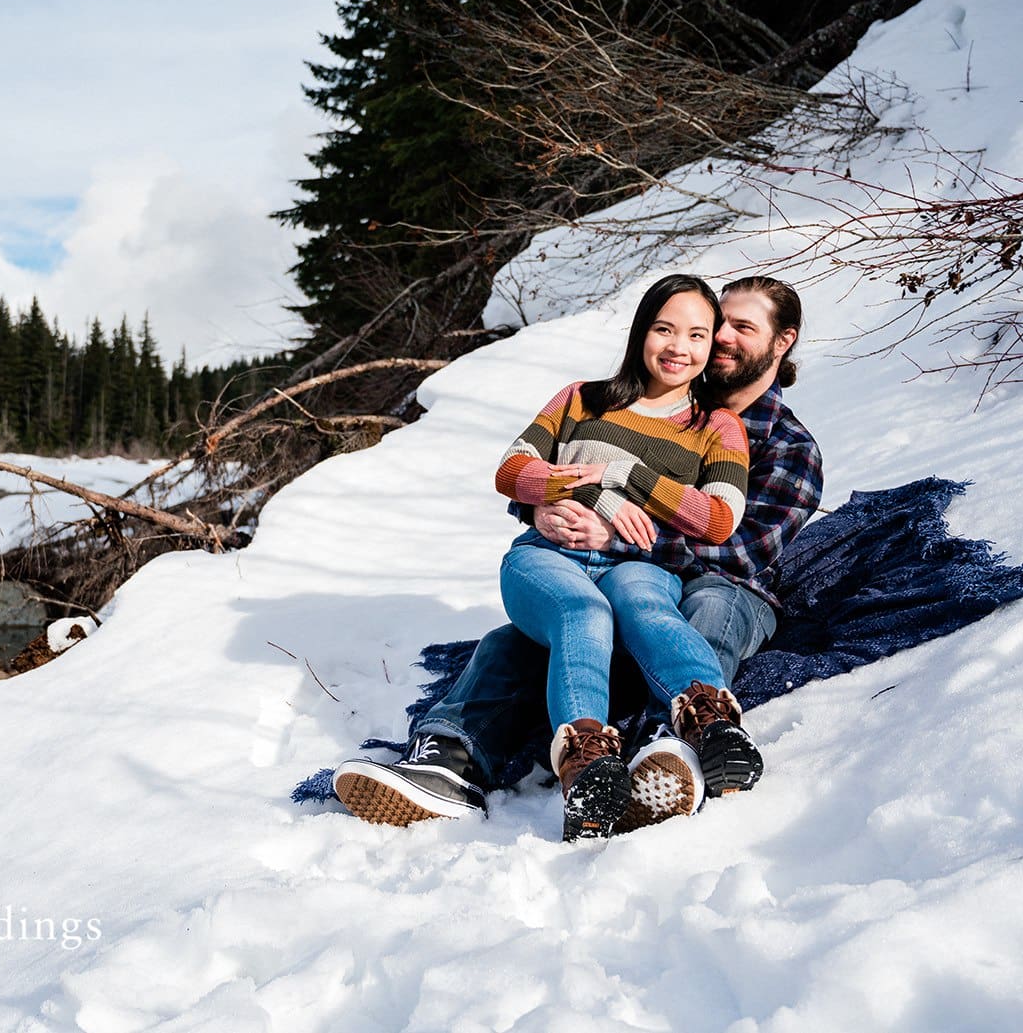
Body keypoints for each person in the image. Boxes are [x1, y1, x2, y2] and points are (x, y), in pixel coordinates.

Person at [334, 275, 822, 837]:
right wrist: (547, 510)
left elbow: (734, 550)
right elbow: (548, 474)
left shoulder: (783, 444)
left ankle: (682, 745)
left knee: (704, 606)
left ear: (782, 342)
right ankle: (454, 757)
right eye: (719, 325)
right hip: (614, 572)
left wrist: (609, 526)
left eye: (741, 327)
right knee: (521, 639)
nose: (721, 340)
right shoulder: (639, 401)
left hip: (721, 585)